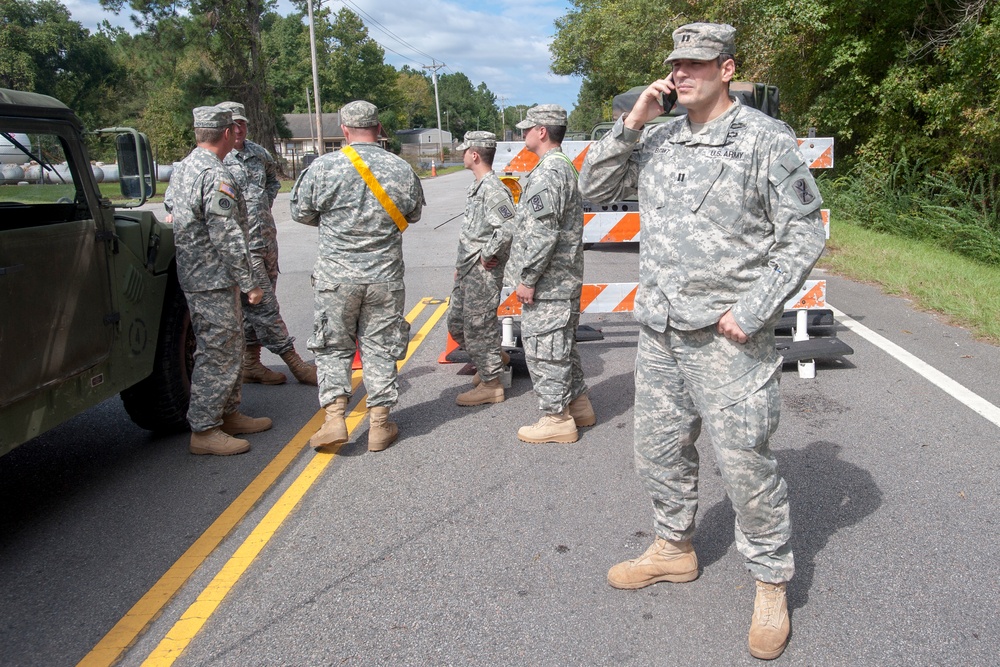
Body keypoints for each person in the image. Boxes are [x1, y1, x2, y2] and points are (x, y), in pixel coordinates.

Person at [578, 23, 826, 660]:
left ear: (726, 67)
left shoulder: (763, 140)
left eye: (695, 63)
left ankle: (771, 580)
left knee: (745, 464)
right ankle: (673, 547)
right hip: (660, 329)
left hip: (728, 339)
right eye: (674, 65)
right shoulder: (656, 137)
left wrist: (754, 308)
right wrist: (631, 121)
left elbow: (803, 233)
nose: (681, 74)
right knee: (658, 451)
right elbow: (589, 190)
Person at [290, 100, 424, 453]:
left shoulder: (323, 167)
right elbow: (412, 214)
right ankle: (379, 425)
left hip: (336, 278)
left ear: (344, 130)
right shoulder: (400, 168)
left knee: (334, 347)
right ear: (379, 129)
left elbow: (300, 212)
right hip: (384, 277)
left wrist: (338, 223)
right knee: (380, 347)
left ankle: (335, 419)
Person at [165, 106, 272, 456]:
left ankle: (227, 414)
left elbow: (173, 207)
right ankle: (205, 428)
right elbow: (226, 233)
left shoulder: (184, 167)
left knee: (228, 344)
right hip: (213, 277)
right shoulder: (215, 174)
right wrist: (250, 281)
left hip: (198, 273)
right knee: (218, 351)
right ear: (226, 134)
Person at [506, 104, 594, 444]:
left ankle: (556, 418)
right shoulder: (562, 168)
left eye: (527, 129)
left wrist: (527, 278)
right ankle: (578, 404)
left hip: (549, 281)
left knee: (546, 349)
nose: (522, 134)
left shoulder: (547, 173)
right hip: (563, 278)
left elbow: (543, 234)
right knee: (564, 345)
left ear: (542, 131)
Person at [217, 101, 317, 388]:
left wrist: (263, 206)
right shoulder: (215, 160)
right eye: (233, 124)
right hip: (242, 247)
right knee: (265, 306)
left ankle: (251, 363)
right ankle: (296, 363)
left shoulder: (258, 153)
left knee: (256, 308)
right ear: (223, 127)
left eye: (243, 123)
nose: (239, 129)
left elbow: (273, 181)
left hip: (266, 241)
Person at [447, 131, 516, 407]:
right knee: (457, 324)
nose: (462, 155)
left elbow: (508, 228)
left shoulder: (492, 189)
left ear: (474, 155)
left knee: (479, 325)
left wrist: (487, 254)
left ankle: (491, 384)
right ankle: (493, 360)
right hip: (467, 270)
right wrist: (460, 264)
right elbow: (474, 232)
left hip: (482, 273)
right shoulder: (477, 187)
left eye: (465, 151)